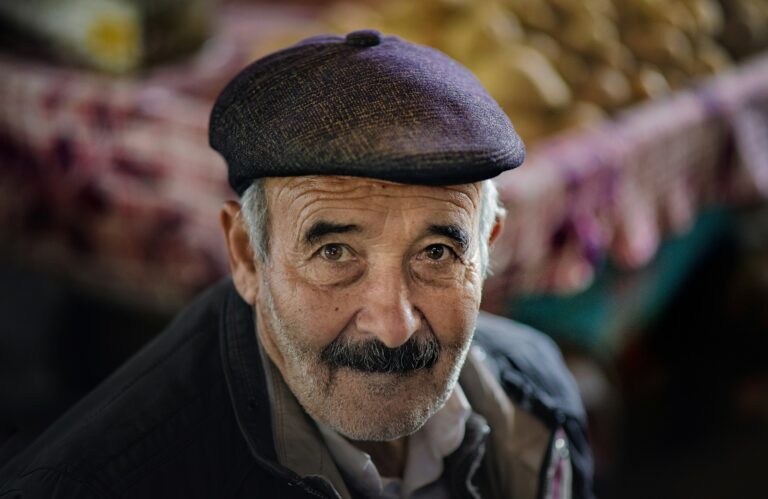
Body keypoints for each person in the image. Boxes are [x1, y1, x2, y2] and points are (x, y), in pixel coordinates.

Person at [0, 30, 594, 498]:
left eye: (437, 253)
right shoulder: (100, 482)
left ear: (488, 247)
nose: (393, 326)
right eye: (335, 253)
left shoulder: (537, 397)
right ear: (246, 256)